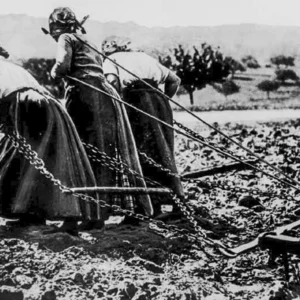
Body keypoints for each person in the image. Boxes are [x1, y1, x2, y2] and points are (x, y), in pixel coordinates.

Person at [47, 8, 153, 227]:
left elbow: (63, 65)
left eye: (53, 30)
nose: (54, 35)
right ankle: (105, 212)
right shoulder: (88, 39)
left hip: (84, 95)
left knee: (82, 151)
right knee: (105, 150)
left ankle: (90, 215)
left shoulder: (66, 38)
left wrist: (53, 72)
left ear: (57, 28)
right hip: (105, 94)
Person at [0, 59, 101, 235]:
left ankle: (61, 216)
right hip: (48, 104)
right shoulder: (10, 66)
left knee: (40, 159)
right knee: (36, 158)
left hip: (27, 104)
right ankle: (30, 214)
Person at [102, 36, 184, 216]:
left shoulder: (111, 60)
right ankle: (174, 202)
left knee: (141, 153)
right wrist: (161, 100)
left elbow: (112, 82)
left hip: (135, 103)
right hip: (159, 103)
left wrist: (119, 104)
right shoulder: (144, 57)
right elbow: (175, 80)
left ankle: (150, 206)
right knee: (164, 153)